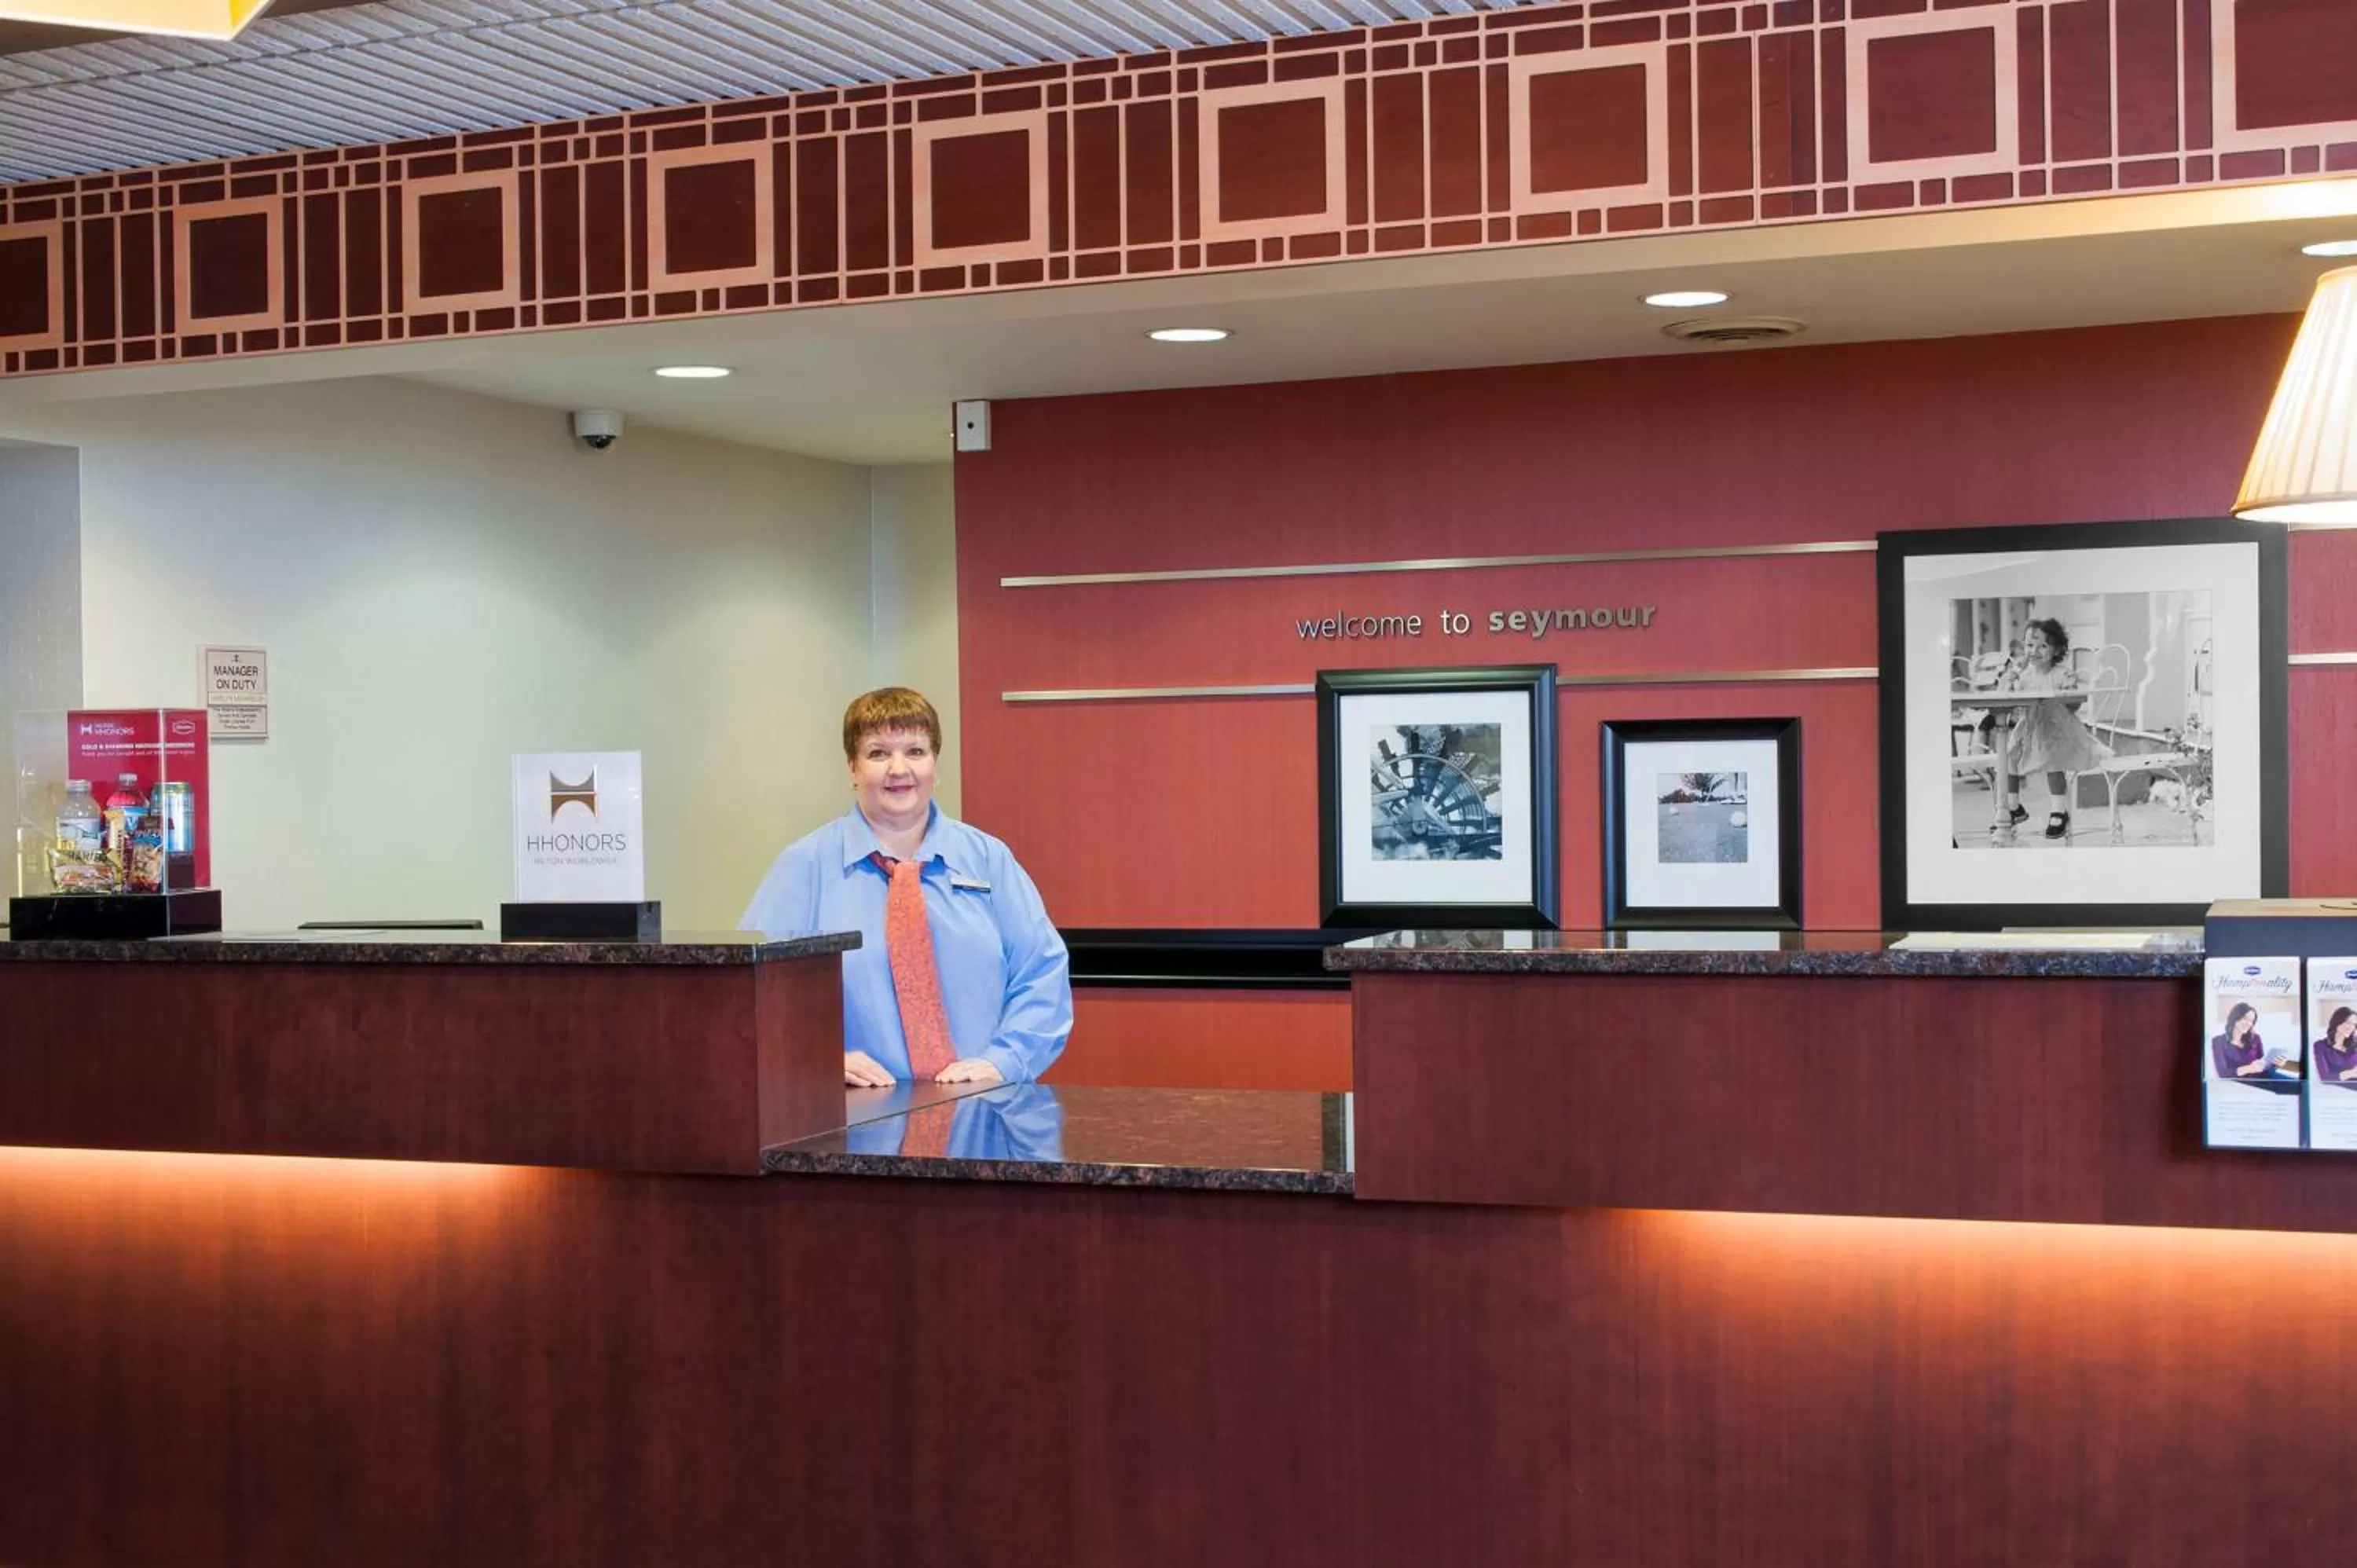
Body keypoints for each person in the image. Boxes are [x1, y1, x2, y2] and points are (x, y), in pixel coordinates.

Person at [739, 686, 1072, 1088]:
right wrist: (812, 1055)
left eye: (915, 751)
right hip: (851, 1116)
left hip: (985, 1106)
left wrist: (1005, 1061)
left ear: (935, 764)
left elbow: (1042, 973)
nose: (899, 769)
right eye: (878, 753)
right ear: (852, 768)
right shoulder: (805, 866)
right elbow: (752, 994)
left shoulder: (989, 859)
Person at [1997, 617, 2110, 841]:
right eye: (2030, 645)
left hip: (2055, 729)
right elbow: (2012, 701)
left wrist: (2070, 691)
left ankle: (2059, 810)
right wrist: (2008, 682)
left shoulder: (2061, 674)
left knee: (2053, 763)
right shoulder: (2024, 675)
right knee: (2009, 756)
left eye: (2043, 646)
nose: (2035, 651)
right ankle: (2014, 806)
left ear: (2057, 649)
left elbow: (2074, 705)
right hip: (2029, 727)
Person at [2210, 1002, 2292, 1080]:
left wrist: (2276, 1064)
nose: (2249, 1024)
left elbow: (2263, 1064)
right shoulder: (2218, 1041)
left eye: (2252, 1021)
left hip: (2264, 1077)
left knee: (2296, 1083)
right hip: (2246, 1083)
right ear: (2235, 1018)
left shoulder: (2255, 1038)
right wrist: (2249, 1069)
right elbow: (2223, 1073)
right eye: (2246, 1019)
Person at [2315, 1006, 2357, 1085]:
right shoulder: (2321, 1046)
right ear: (2337, 1022)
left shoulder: (2355, 1043)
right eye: (2348, 1022)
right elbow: (2325, 1078)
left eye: (2354, 1024)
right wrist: (2350, 1074)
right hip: (2344, 1089)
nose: (2351, 1027)